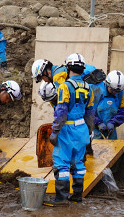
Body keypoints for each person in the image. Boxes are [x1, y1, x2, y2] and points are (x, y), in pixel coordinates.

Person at [46, 53, 95, 205]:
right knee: (78, 163)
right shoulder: (89, 88)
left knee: (61, 163)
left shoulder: (65, 87)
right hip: (81, 129)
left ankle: (61, 197)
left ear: (68, 68)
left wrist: (55, 132)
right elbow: (91, 113)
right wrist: (88, 131)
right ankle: (77, 195)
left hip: (67, 130)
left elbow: (61, 112)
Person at [93, 70, 124, 140]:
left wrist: (113, 122)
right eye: (112, 90)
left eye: (117, 91)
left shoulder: (121, 92)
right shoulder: (96, 90)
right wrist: (98, 122)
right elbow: (89, 110)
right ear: (107, 84)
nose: (114, 92)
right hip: (95, 132)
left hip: (111, 132)